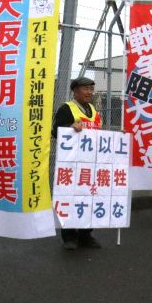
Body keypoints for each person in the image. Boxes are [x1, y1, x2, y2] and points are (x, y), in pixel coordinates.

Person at [52, 76, 102, 250]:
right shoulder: (67, 108)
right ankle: (69, 236)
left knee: (88, 198)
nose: (89, 92)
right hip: (71, 164)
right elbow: (55, 132)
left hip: (89, 163)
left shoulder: (93, 110)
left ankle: (86, 235)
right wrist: (70, 126)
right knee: (69, 198)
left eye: (91, 89)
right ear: (75, 91)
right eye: (85, 89)